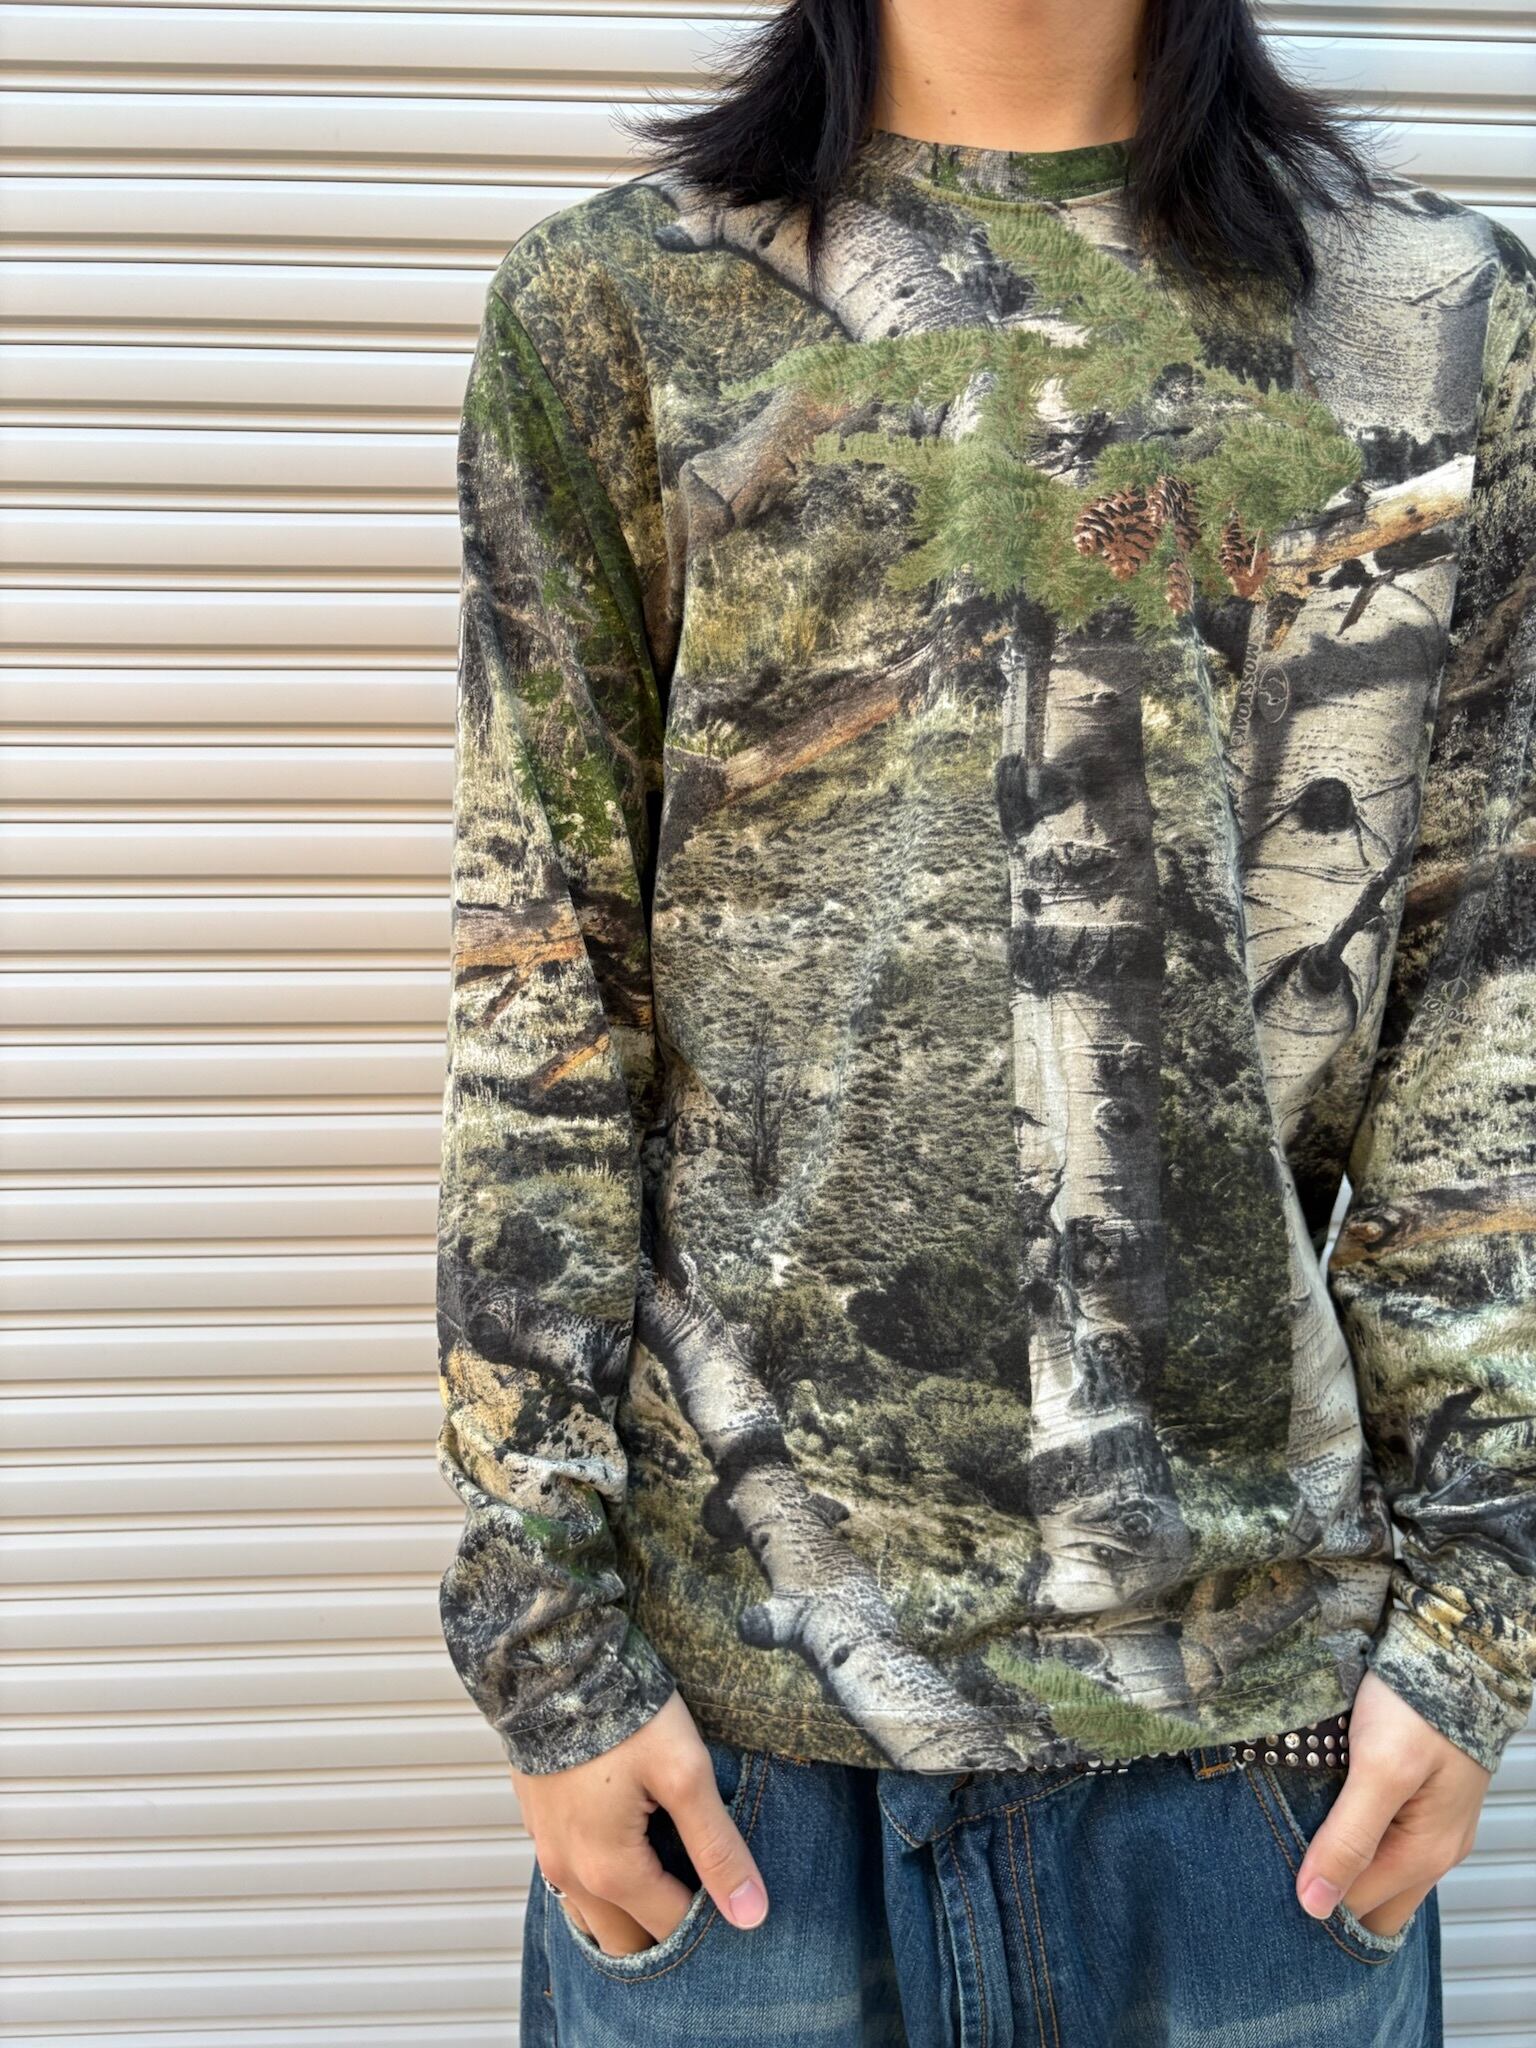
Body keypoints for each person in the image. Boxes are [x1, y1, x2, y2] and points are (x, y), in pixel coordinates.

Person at [433, 0, 1536, 2038]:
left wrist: (1482, 1623)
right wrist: (542, 1634)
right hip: (730, 1746)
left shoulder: (1432, 323)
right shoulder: (621, 312)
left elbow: (1487, 1007)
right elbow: (543, 986)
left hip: (1260, 1763)